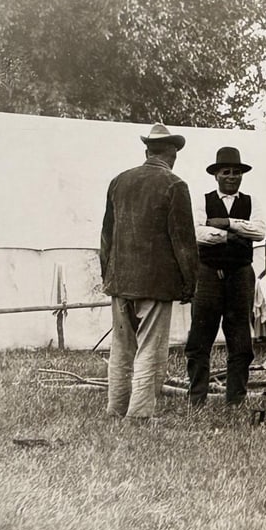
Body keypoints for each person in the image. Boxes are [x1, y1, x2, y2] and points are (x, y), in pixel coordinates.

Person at [99, 123, 198, 419]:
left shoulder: (119, 181)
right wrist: (189, 282)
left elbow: (106, 236)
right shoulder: (175, 185)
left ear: (146, 151)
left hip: (119, 281)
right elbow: (183, 241)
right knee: (150, 350)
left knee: (121, 349)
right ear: (172, 155)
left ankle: (116, 408)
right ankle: (140, 414)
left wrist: (109, 275)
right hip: (156, 283)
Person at [186, 146, 266, 408]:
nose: (232, 177)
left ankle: (236, 400)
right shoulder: (202, 200)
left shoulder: (252, 201)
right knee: (200, 337)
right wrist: (229, 236)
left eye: (236, 172)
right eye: (226, 172)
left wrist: (227, 222)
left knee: (240, 338)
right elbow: (196, 232)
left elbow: (260, 232)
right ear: (216, 175)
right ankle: (196, 398)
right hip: (208, 275)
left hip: (240, 276)